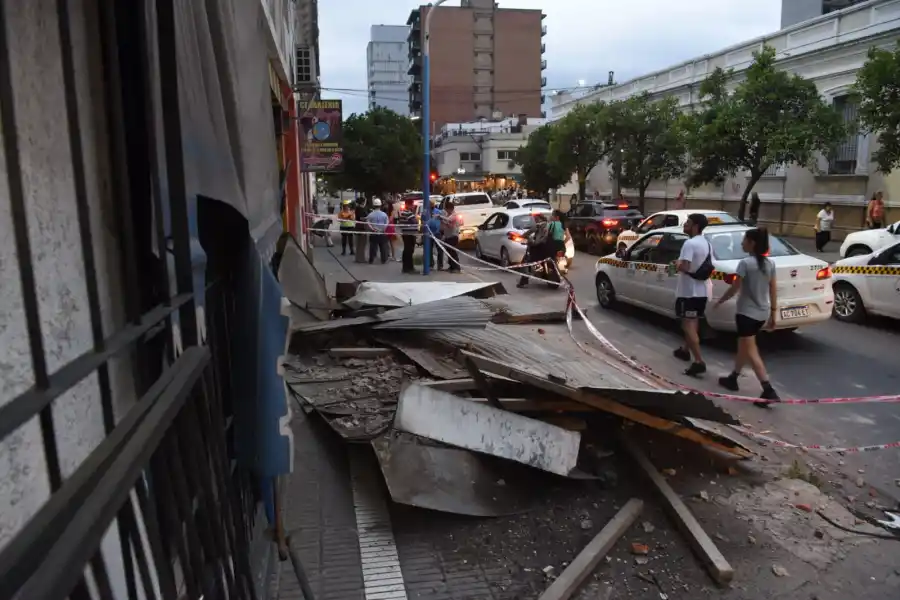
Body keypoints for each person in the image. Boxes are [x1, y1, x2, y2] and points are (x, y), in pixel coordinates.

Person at [713, 228, 780, 404]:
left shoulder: (745, 263)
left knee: (751, 351)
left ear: (752, 244)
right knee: (743, 344)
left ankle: (768, 389)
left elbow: (735, 287)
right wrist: (774, 313)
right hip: (762, 313)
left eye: (744, 240)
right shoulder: (770, 264)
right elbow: (773, 289)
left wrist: (720, 301)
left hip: (746, 314)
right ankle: (733, 378)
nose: (742, 243)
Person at [672, 213, 713, 377]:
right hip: (702, 291)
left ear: (695, 226)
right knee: (693, 322)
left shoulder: (689, 244)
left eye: (688, 223)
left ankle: (698, 361)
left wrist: (677, 264)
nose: (685, 225)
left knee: (687, 325)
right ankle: (685, 350)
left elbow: (686, 267)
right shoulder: (708, 244)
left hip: (689, 292)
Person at [517, 213, 550, 288]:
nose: (535, 221)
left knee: (525, 263)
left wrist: (521, 236)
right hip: (547, 248)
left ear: (540, 218)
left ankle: (523, 281)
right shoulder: (549, 225)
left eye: (536, 219)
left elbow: (528, 233)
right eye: (535, 219)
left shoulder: (538, 226)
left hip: (537, 248)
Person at [439, 202, 462, 273]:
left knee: (453, 252)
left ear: (450, 209)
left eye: (446, 209)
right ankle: (451, 266)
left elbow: (449, 221)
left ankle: (456, 268)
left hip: (453, 236)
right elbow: (446, 224)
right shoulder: (448, 215)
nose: (445, 210)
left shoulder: (454, 215)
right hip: (448, 236)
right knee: (449, 252)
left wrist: (441, 217)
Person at [366, 198, 390, 264]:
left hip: (374, 233)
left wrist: (373, 229)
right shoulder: (384, 214)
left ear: (374, 206)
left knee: (372, 247)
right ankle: (384, 259)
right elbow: (387, 223)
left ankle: (371, 259)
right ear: (380, 205)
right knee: (383, 247)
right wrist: (383, 229)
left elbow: (368, 223)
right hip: (382, 233)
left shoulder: (370, 214)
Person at [398, 206, 419, 274]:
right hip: (409, 234)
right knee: (409, 251)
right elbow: (414, 222)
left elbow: (400, 224)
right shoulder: (409, 214)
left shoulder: (403, 214)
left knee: (407, 250)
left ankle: (406, 267)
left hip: (405, 234)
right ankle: (409, 268)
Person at [354, 198, 369, 263]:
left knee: (359, 243)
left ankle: (358, 258)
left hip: (358, 226)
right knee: (362, 243)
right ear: (363, 202)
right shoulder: (361, 209)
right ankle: (361, 258)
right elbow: (361, 218)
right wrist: (368, 218)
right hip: (362, 227)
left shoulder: (357, 208)